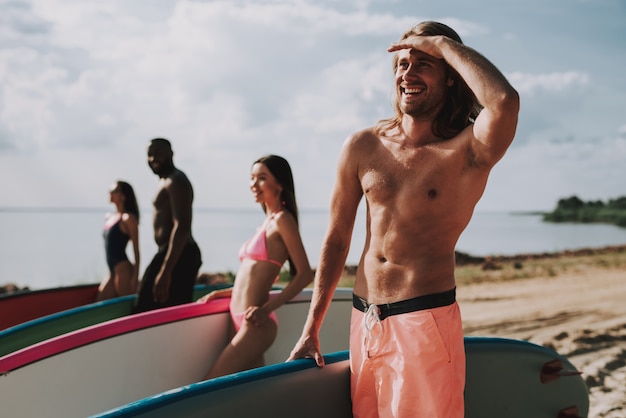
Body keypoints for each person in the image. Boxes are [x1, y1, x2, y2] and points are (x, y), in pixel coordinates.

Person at [288, 21, 520, 417]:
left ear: (451, 77)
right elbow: (336, 238)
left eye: (423, 64)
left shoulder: (466, 151)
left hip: (424, 322)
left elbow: (504, 101)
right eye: (402, 64)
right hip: (365, 320)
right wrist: (312, 327)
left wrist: (442, 44)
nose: (407, 74)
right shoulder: (363, 144)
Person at [198, 155, 313, 379]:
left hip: (256, 323)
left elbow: (304, 274)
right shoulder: (266, 222)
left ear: (279, 184)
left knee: (209, 384)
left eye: (261, 178)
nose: (253, 184)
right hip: (238, 317)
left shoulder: (282, 220)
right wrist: (221, 293)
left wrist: (267, 309)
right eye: (252, 178)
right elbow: (251, 280)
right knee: (246, 396)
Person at [134, 138, 202, 313]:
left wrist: (165, 272)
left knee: (151, 308)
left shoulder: (176, 180)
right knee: (150, 306)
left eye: (159, 153)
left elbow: (182, 226)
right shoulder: (164, 181)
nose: (153, 158)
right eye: (149, 154)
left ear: (171, 154)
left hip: (181, 254)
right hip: (170, 252)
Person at [97, 180, 141, 301]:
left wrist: (135, 278)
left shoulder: (128, 219)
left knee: (127, 309)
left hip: (123, 271)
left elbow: (136, 250)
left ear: (123, 196)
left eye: (114, 191)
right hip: (112, 272)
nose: (110, 193)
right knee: (99, 303)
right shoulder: (109, 217)